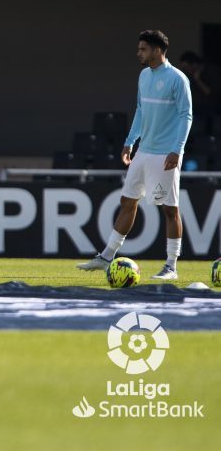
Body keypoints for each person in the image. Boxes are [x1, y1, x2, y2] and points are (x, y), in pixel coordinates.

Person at [78, 30, 192, 280]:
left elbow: (186, 116)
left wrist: (177, 149)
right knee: (128, 202)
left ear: (157, 50)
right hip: (143, 152)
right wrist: (130, 142)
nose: (138, 52)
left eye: (143, 49)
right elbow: (140, 111)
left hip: (165, 154)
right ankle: (107, 257)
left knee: (170, 209)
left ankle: (171, 266)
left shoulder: (177, 79)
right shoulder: (143, 76)